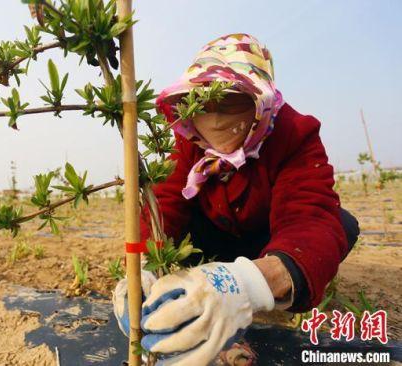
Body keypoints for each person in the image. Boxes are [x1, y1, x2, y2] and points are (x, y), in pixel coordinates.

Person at [112, 33, 360, 365]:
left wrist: (256, 280)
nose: (214, 118)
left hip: (267, 243)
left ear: (261, 101)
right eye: (202, 102)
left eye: (231, 100)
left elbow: (309, 214)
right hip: (208, 244)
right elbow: (166, 200)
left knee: (341, 224)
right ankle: (196, 315)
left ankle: (248, 289)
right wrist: (141, 263)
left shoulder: (293, 134)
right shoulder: (189, 138)